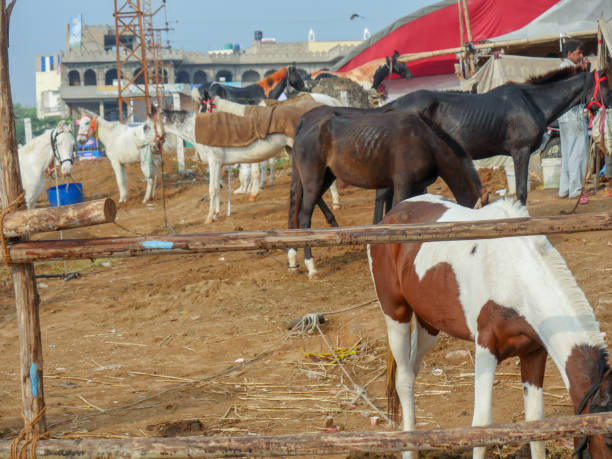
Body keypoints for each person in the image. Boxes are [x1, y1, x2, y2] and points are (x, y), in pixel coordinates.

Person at [558, 39, 590, 199]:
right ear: (570, 53)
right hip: (573, 115)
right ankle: (576, 188)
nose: (581, 55)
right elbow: (579, 90)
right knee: (577, 152)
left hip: (564, 116)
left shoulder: (562, 68)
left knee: (567, 152)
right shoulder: (569, 69)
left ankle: (565, 188)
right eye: (578, 53)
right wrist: (584, 71)